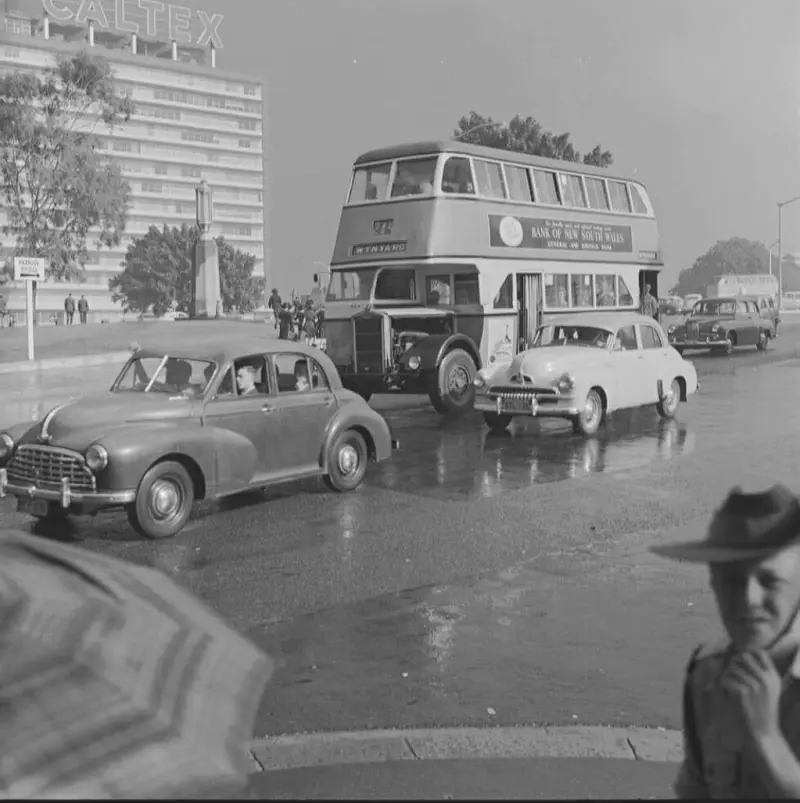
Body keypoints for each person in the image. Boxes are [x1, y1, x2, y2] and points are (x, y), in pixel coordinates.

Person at [651, 484, 800, 798]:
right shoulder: (706, 675)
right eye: (731, 581)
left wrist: (766, 736)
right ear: (714, 585)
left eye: (770, 581)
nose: (748, 600)